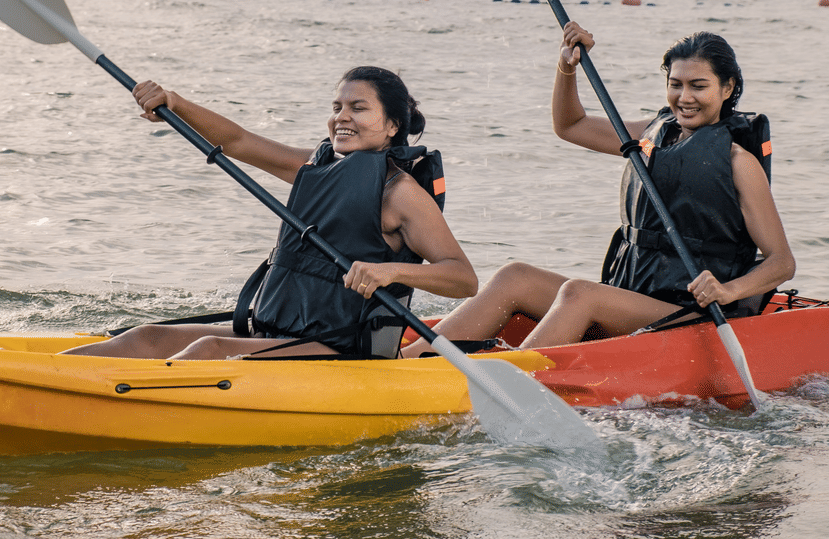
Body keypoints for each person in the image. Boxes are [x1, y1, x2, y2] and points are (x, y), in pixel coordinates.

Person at [402, 22, 795, 356]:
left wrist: (728, 291)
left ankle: (506, 380)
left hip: (690, 311)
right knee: (513, 276)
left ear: (727, 89)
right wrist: (566, 68)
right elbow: (570, 126)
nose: (684, 98)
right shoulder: (651, 135)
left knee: (579, 293)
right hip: (633, 294)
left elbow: (781, 262)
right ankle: (404, 363)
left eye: (699, 86)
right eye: (675, 84)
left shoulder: (738, 162)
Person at [51, 65, 477, 360]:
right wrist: (175, 103)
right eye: (336, 108)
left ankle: (115, 404)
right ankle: (47, 375)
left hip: (343, 348)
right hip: (278, 331)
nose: (341, 118)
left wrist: (390, 272)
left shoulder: (400, 192)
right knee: (146, 337)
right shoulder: (317, 169)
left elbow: (462, 278)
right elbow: (237, 141)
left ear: (391, 126)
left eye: (358, 108)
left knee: (209, 351)